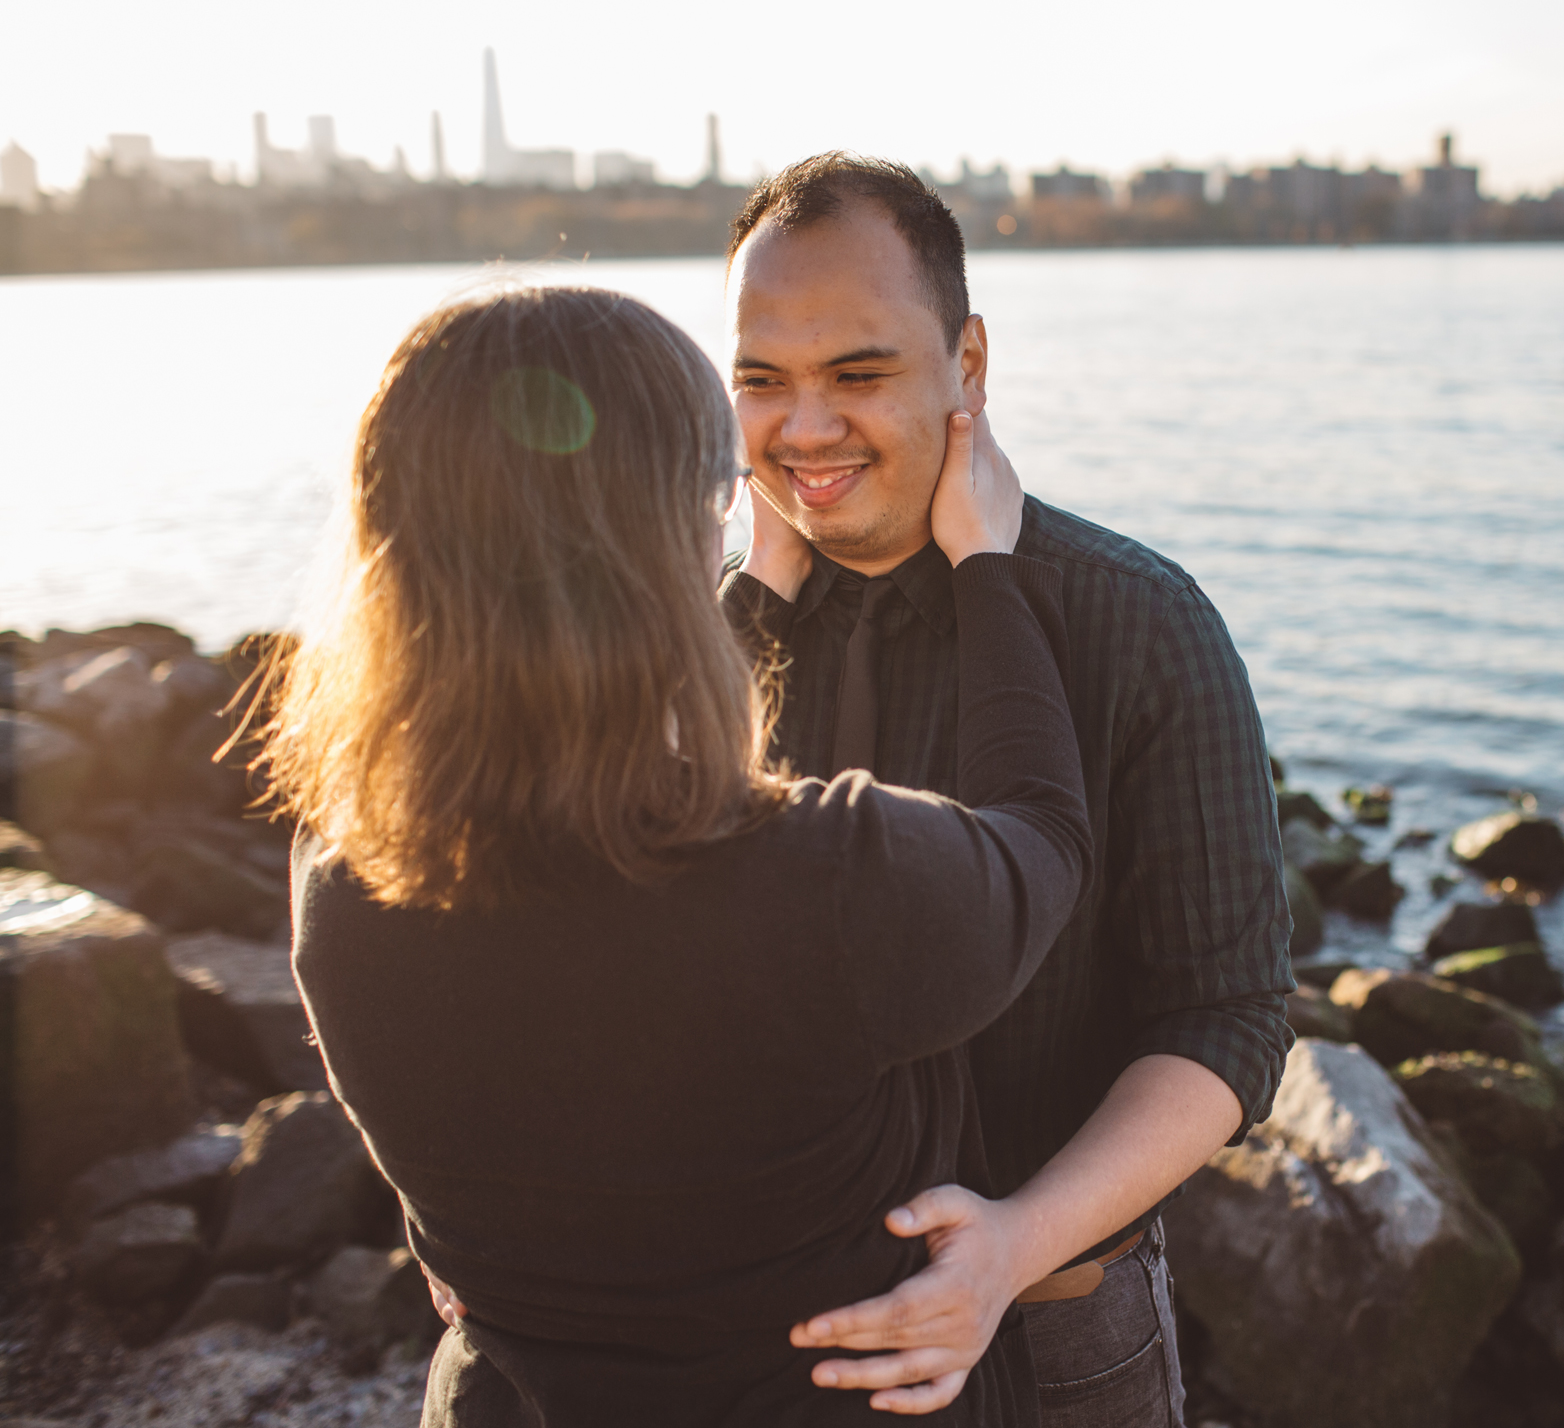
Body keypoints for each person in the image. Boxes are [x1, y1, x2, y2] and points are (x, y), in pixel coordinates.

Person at [266, 284, 1093, 1425]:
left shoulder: (341, 885)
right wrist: (988, 565)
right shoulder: (831, 882)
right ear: (659, 544)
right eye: (714, 496)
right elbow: (1043, 835)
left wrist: (754, 598)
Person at [722, 154, 1296, 1423]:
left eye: (857, 374)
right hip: (756, 1325)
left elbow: (1229, 1017)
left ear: (967, 364)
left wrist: (1011, 1243)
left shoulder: (1137, 621)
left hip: (1052, 1330)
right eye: (763, 381)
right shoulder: (711, 643)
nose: (804, 429)